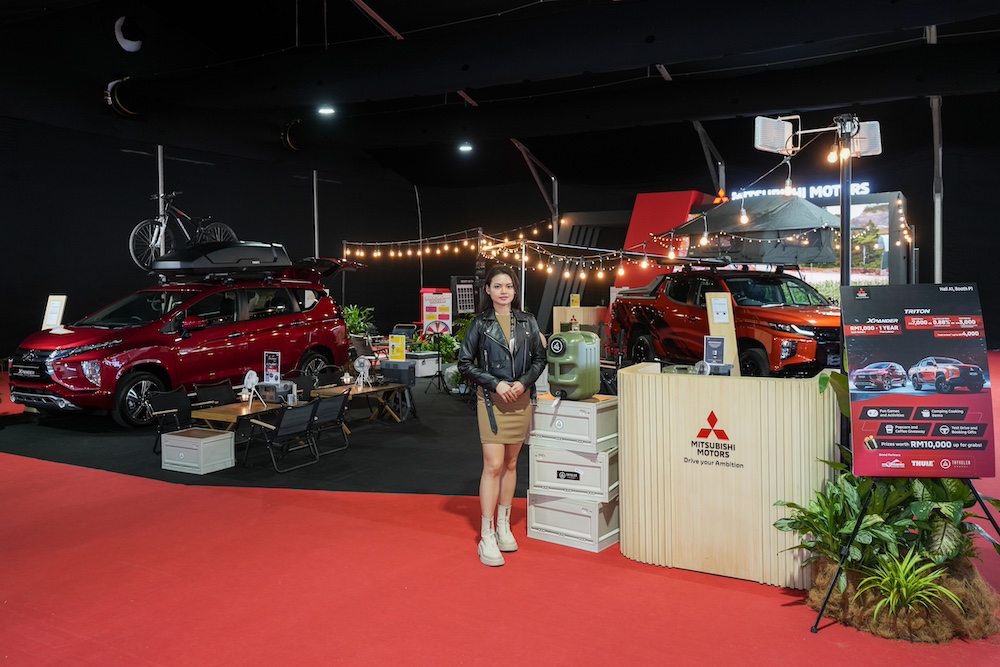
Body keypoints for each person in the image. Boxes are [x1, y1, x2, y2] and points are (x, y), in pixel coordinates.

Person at [457, 266, 546, 567]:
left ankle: (504, 525)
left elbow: (540, 358)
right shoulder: (480, 324)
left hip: (520, 399)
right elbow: (464, 363)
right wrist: (496, 383)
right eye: (497, 286)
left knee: (511, 463)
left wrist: (524, 382)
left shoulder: (528, 321)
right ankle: (487, 534)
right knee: (493, 465)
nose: (503, 291)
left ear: (515, 290)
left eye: (508, 286)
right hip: (492, 400)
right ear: (488, 290)